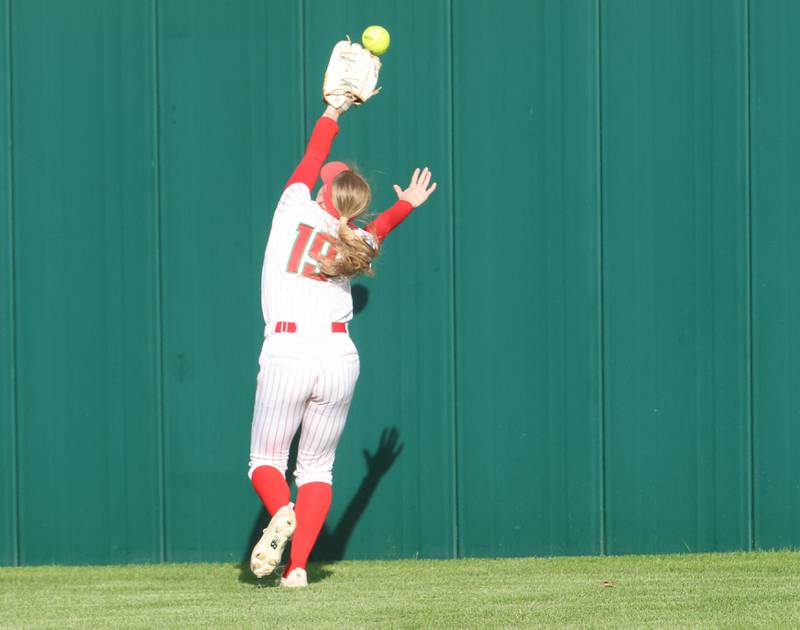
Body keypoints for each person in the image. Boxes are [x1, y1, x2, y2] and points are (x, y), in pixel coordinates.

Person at [247, 94, 437, 588]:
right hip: (338, 356)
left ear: (322, 193)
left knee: (266, 462)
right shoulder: (356, 241)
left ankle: (281, 511)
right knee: (317, 468)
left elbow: (312, 158)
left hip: (289, 348)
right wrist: (406, 203)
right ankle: (297, 571)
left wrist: (334, 110)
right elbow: (382, 227)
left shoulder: (293, 209)